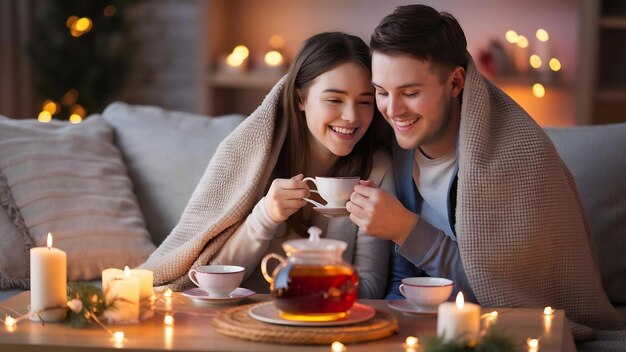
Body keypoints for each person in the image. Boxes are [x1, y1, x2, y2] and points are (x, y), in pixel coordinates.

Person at [346, 4, 623, 339]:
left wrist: (407, 230)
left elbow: (507, 296)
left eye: (411, 92)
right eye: (381, 92)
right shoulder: (393, 147)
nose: (393, 110)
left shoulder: (519, 157)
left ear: (456, 82)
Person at [141, 32, 393, 299]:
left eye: (365, 101)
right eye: (334, 99)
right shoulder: (258, 158)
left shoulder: (376, 169)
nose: (351, 116)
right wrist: (265, 217)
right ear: (300, 99)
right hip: (244, 318)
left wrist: (302, 292)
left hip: (328, 323)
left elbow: (371, 287)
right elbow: (211, 280)